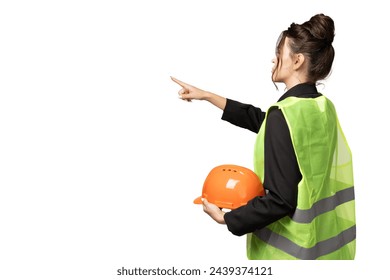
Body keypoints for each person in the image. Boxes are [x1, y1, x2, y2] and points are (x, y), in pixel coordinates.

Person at [171, 14, 356, 260]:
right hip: (325, 249)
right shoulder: (321, 107)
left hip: (290, 255)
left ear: (298, 60)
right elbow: (265, 121)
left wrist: (227, 218)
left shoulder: (285, 114)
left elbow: (280, 201)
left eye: (280, 52)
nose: (274, 58)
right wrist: (207, 96)